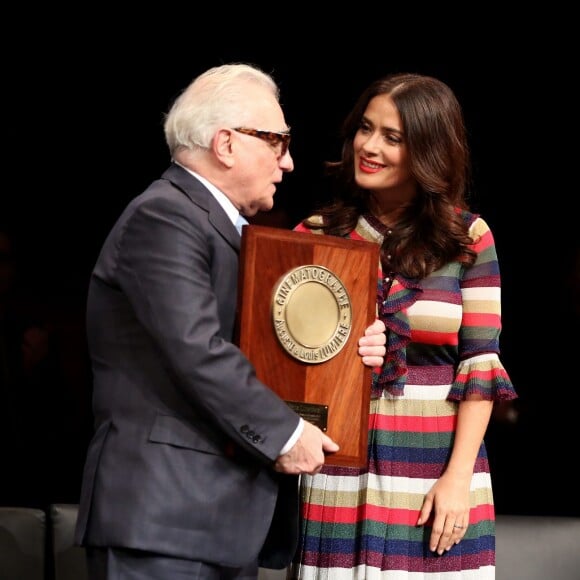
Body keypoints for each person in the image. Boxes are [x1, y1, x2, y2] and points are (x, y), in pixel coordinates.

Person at [73, 63, 387, 580]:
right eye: (277, 142)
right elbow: (198, 350)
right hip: (165, 522)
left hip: (217, 523)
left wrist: (354, 342)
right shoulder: (165, 217)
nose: (287, 163)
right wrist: (288, 434)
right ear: (226, 144)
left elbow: (264, 347)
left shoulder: (233, 234)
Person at [288, 72, 518, 579]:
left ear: (428, 150)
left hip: (438, 467)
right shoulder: (317, 235)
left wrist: (458, 479)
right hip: (337, 468)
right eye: (365, 129)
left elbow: (480, 368)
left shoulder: (469, 237)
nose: (369, 146)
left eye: (392, 137)